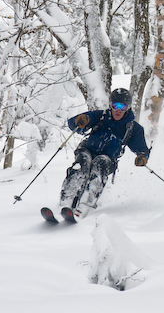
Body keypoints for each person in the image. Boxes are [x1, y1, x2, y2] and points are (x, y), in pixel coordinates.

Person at [61, 88, 150, 217]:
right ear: (110, 105)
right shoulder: (100, 116)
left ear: (128, 108)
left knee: (100, 164)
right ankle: (67, 198)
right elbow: (73, 124)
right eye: (115, 106)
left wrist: (142, 156)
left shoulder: (132, 128)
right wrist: (79, 121)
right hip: (88, 149)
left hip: (108, 159)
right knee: (83, 162)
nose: (118, 110)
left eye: (123, 107)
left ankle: (87, 202)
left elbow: (141, 148)